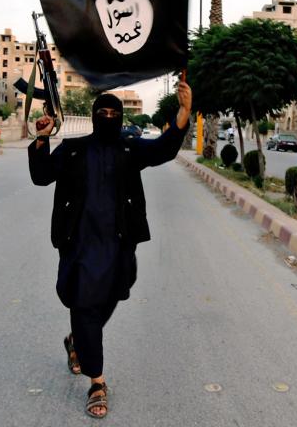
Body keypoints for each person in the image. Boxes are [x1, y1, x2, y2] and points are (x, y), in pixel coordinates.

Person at [28, 81, 192, 419]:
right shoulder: (74, 149)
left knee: (115, 293)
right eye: (102, 113)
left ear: (119, 118)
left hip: (119, 244)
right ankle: (97, 381)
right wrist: (42, 138)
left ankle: (78, 340)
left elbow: (163, 148)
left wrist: (184, 112)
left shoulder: (130, 148)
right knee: (85, 304)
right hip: (79, 245)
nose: (107, 117)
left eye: (113, 113)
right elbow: (42, 176)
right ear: (93, 116)